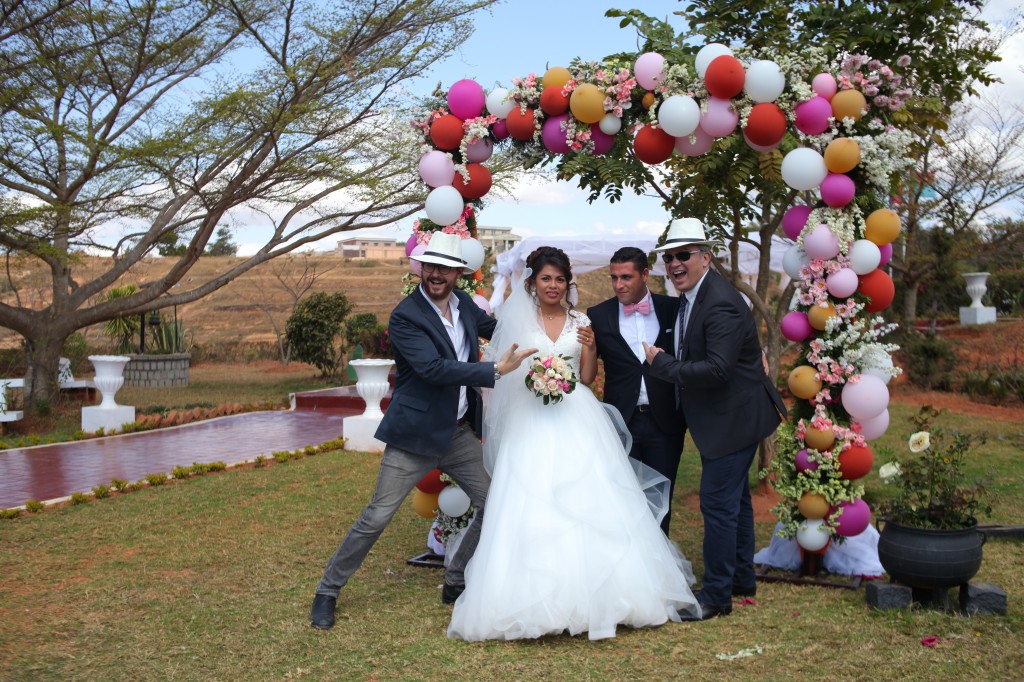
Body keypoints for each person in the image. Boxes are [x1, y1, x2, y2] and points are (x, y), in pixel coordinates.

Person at [448, 246, 701, 641]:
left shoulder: (582, 320)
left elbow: (585, 378)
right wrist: (530, 378)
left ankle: (608, 594)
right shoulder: (516, 320)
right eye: (546, 279)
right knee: (529, 498)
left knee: (592, 498)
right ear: (533, 282)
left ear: (569, 283)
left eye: (560, 279)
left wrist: (589, 348)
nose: (553, 286)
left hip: (576, 414)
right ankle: (528, 595)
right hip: (530, 419)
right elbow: (504, 371)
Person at [309, 233, 536, 630]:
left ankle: (455, 577)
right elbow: (432, 369)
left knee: (495, 502)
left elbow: (499, 330)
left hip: (459, 433)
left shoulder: (465, 303)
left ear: (457, 274)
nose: (436, 274)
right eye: (430, 266)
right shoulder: (406, 315)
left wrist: (541, 322)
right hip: (414, 438)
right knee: (376, 517)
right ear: (420, 268)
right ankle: (327, 591)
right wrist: (494, 370)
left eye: (445, 268)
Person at [642, 218, 787, 621]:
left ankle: (717, 597)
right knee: (736, 501)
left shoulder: (719, 300)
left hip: (734, 420)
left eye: (683, 255)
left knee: (719, 505)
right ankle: (741, 579)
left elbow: (718, 369)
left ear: (706, 257)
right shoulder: (697, 296)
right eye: (669, 257)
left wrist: (663, 365)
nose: (673, 264)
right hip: (733, 415)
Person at [586, 247, 686, 535]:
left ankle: (660, 567)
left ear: (645, 274)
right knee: (621, 499)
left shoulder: (672, 309)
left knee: (661, 498)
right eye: (614, 278)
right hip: (621, 423)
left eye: (626, 277)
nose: (619, 285)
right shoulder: (599, 314)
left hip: (665, 422)